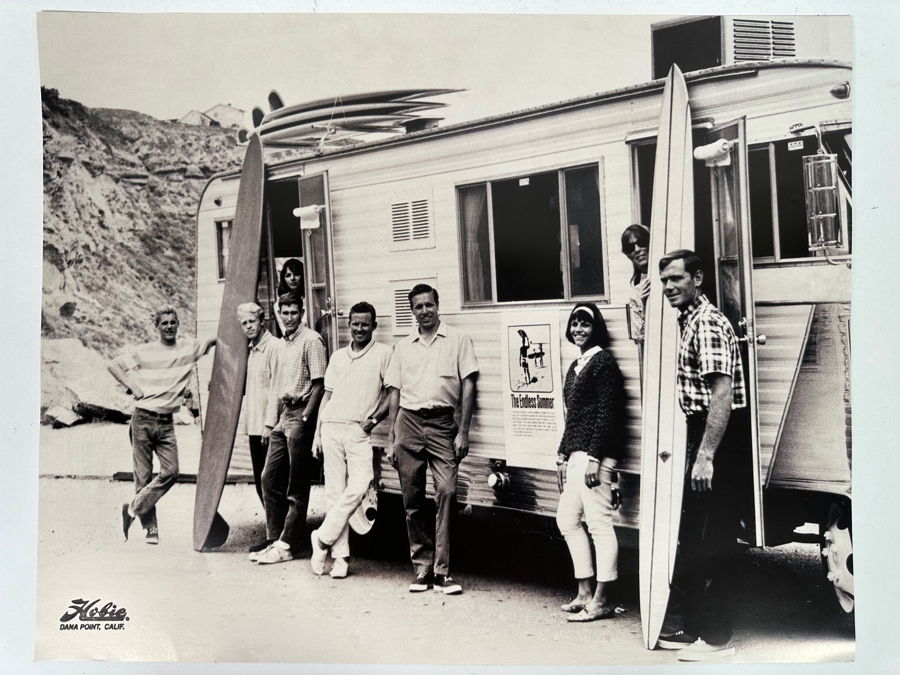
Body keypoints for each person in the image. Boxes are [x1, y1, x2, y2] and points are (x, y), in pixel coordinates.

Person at [656, 249, 748, 661]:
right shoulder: (689, 320)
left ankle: (717, 638)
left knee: (714, 536)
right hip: (704, 433)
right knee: (695, 535)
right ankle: (696, 627)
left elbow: (722, 394)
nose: (669, 287)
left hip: (718, 438)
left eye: (676, 278)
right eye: (664, 281)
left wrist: (706, 454)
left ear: (697, 279)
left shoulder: (707, 323)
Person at [385, 284, 478, 595]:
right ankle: (422, 569)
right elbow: (394, 392)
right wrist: (392, 436)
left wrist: (463, 431)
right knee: (411, 500)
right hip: (408, 422)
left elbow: (468, 386)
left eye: (429, 305)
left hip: (442, 423)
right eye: (418, 307)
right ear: (412, 311)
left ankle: (443, 572)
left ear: (439, 305)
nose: (424, 311)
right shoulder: (403, 346)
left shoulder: (459, 340)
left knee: (447, 492)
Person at [108, 305, 216, 545]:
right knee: (143, 476)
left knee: (171, 472)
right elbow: (114, 365)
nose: (169, 327)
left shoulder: (189, 349)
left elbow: (214, 338)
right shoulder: (145, 351)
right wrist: (133, 387)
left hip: (167, 423)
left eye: (172, 322)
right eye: (164, 323)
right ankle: (151, 529)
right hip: (143, 419)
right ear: (156, 327)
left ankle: (132, 508)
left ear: (178, 324)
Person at [309, 302, 392, 579]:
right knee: (334, 492)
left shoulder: (383, 353)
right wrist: (318, 434)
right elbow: (327, 397)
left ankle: (321, 539)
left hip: (358, 431)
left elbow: (391, 394)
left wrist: (372, 422)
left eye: (365, 324)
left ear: (374, 326)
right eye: (355, 324)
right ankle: (341, 558)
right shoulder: (337, 357)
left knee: (359, 485)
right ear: (349, 325)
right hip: (332, 426)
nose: (359, 329)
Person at [555, 303, 626, 622]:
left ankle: (602, 599)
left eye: (585, 324)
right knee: (567, 519)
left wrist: (596, 457)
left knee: (599, 523)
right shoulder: (576, 365)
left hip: (596, 455)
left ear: (595, 328)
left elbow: (606, 413)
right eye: (575, 324)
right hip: (577, 453)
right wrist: (562, 453)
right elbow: (574, 416)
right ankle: (584, 592)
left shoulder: (603, 362)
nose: (578, 329)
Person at [252, 292, 327, 564]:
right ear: (278, 313)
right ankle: (275, 539)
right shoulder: (282, 344)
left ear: (302, 313)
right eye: (284, 312)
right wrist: (274, 420)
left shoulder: (312, 341)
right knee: (268, 478)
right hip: (285, 414)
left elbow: (320, 384)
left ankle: (286, 546)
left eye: (293, 312)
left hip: (301, 413)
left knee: (297, 485)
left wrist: (307, 417)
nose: (289, 317)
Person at [236, 302, 281, 554]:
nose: (248, 327)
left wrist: (269, 424)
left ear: (262, 320)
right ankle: (273, 534)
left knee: (271, 482)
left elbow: (276, 388)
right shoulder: (252, 351)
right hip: (254, 427)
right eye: (244, 323)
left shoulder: (273, 347)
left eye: (252, 321)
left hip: (267, 428)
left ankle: (278, 538)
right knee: (259, 483)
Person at [621, 224, 651, 346]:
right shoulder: (636, 293)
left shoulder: (670, 275)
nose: (637, 249)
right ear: (628, 255)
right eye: (630, 248)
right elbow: (641, 339)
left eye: (642, 242)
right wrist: (645, 307)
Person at [274, 258, 304, 334]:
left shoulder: (309, 299)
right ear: (283, 279)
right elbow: (285, 331)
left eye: (296, 274)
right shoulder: (278, 305)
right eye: (288, 275)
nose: (292, 278)